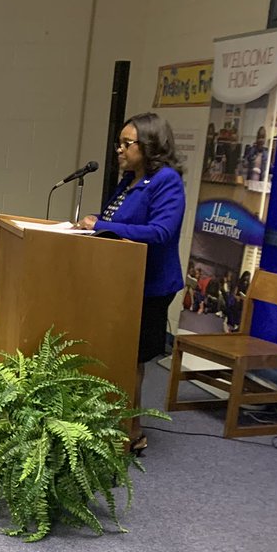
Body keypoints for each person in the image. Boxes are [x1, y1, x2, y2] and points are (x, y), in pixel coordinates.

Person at [74, 111, 187, 454]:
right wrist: (96, 221)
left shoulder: (166, 181)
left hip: (149, 285)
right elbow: (117, 221)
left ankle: (131, 431)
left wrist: (102, 228)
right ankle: (117, 423)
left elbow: (160, 232)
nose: (119, 150)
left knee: (131, 358)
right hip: (119, 282)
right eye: (119, 143)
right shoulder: (129, 180)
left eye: (127, 143)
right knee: (117, 355)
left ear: (150, 144)